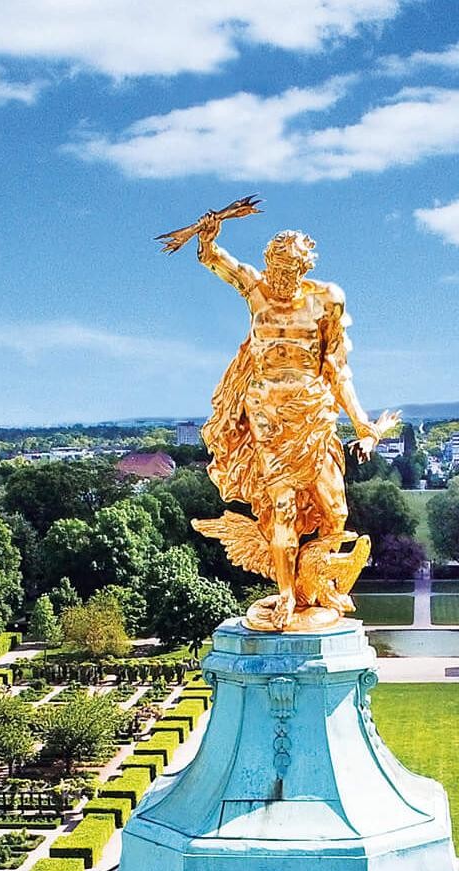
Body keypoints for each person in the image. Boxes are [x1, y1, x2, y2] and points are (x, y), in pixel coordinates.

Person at [186, 213, 396, 631]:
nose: (278, 278)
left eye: (287, 270)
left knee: (334, 513)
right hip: (267, 417)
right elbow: (219, 263)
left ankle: (312, 583)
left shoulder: (327, 299)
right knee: (281, 510)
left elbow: (337, 367)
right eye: (273, 268)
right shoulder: (257, 290)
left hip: (314, 416)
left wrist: (361, 423)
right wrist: (207, 242)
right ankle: (285, 595)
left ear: (303, 268)